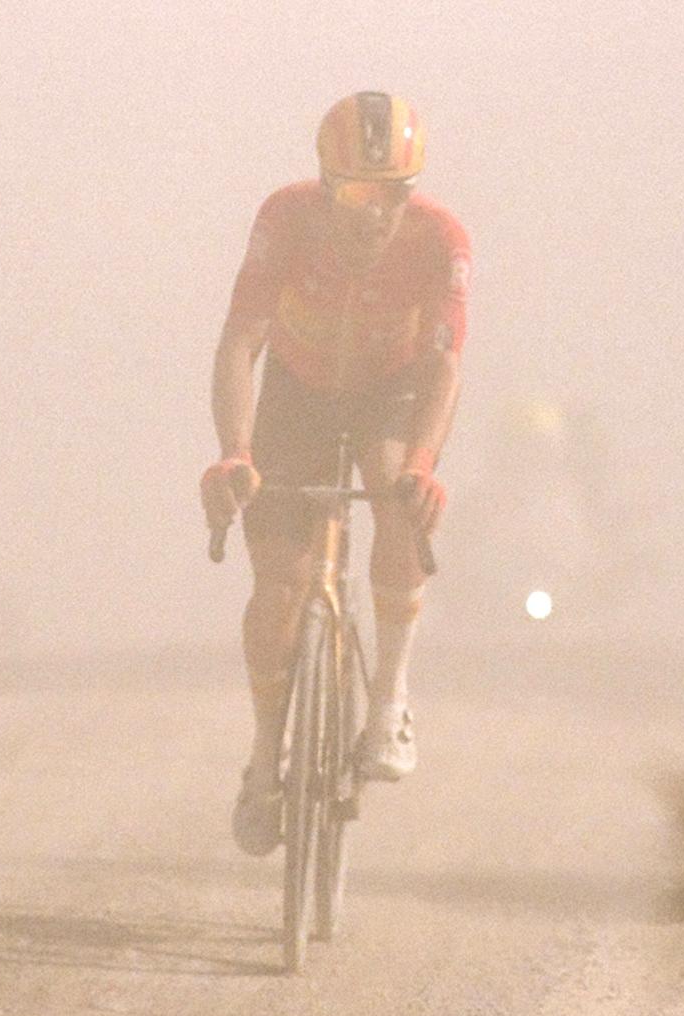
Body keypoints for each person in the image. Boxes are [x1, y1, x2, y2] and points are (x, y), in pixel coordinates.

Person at [200, 92, 470, 856]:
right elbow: (240, 341)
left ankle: (388, 702)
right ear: (324, 186)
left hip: (393, 389)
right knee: (278, 590)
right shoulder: (285, 220)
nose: (373, 216)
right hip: (300, 390)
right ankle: (265, 759)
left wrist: (422, 465)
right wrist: (235, 451)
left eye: (392, 195)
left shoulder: (440, 239)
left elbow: (445, 366)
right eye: (355, 194)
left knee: (395, 492)